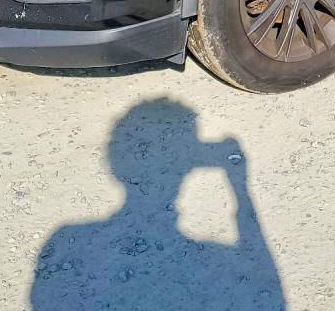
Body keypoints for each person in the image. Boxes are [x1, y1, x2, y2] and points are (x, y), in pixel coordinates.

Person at [30, 98, 284, 310]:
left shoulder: (66, 240)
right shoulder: (216, 262)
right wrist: (239, 187)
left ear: (114, 166)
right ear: (188, 169)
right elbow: (271, 291)